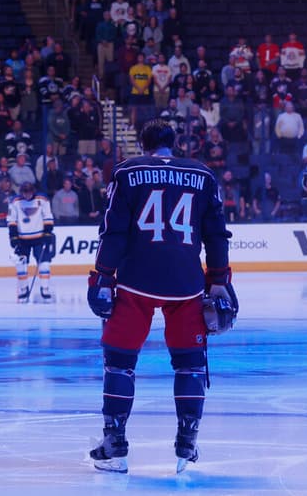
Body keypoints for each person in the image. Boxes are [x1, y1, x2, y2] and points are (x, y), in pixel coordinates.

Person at [86, 120, 236, 474]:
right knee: (190, 365)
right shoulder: (203, 174)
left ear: (143, 144)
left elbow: (113, 232)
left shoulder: (127, 172)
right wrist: (219, 280)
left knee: (119, 363)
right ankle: (187, 443)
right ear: (174, 142)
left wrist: (103, 276)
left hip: (135, 280)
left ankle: (115, 444)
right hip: (186, 283)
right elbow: (216, 235)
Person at [7, 180, 55, 303]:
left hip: (39, 237)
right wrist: (13, 237)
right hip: (22, 239)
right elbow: (12, 220)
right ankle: (23, 289)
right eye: (25, 192)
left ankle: (45, 288)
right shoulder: (15, 202)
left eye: (29, 192)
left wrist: (48, 232)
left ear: (33, 191)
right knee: (21, 265)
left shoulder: (42, 199)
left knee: (44, 264)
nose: (27, 195)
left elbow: (48, 216)